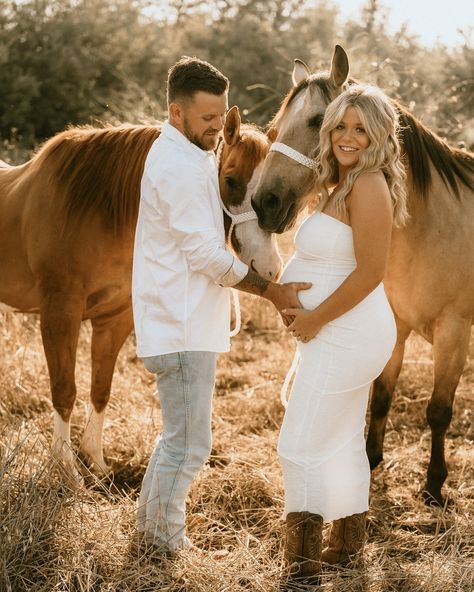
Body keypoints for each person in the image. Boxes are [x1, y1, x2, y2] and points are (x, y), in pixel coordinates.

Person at [132, 56, 310, 555]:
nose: (218, 127)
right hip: (181, 326)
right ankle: (166, 545)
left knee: (175, 441)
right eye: (207, 118)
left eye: (223, 115)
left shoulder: (192, 156)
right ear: (176, 112)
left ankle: (150, 533)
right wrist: (270, 291)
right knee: (190, 446)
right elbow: (207, 256)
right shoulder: (180, 168)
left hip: (182, 321)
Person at [278, 83, 409, 580]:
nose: (347, 137)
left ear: (378, 137)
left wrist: (313, 317)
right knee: (340, 436)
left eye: (360, 129)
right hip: (337, 330)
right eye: (341, 126)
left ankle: (303, 566)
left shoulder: (370, 184)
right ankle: (347, 545)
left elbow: (370, 272)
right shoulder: (341, 185)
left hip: (348, 332)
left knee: (299, 442)